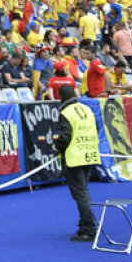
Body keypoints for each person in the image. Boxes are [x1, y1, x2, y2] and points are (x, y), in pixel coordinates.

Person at [53, 83, 101, 241]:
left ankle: (90, 229)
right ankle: (84, 226)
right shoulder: (87, 109)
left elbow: (65, 136)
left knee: (80, 195)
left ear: (61, 97)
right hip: (89, 154)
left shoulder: (66, 112)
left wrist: (56, 148)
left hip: (74, 157)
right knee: (84, 192)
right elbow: (97, 130)